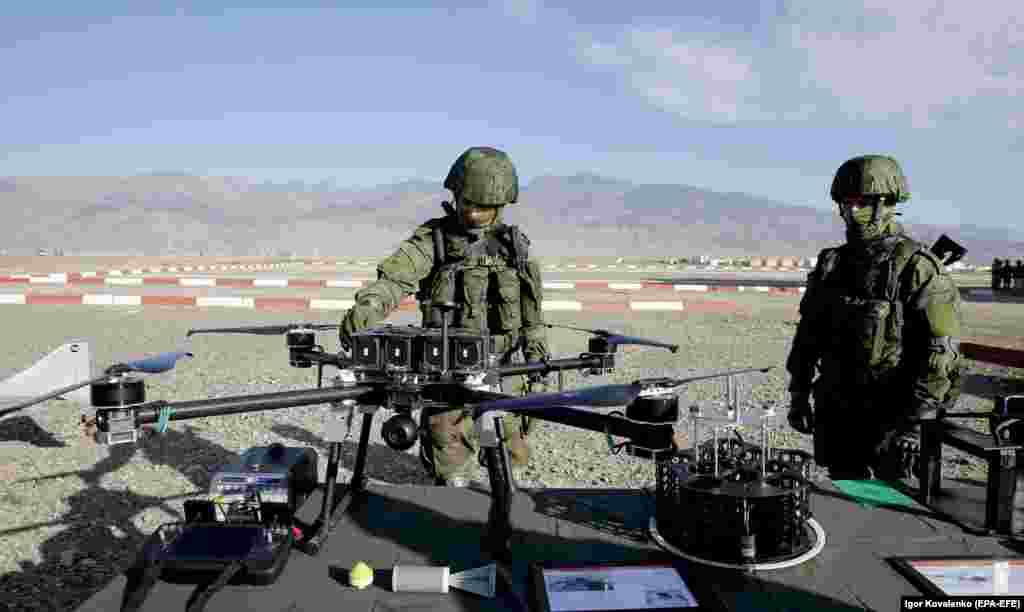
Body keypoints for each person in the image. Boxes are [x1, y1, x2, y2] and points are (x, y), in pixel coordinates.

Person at [338, 146, 551, 487]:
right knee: (451, 474)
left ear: (501, 205)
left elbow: (531, 310)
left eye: (486, 207)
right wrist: (366, 310)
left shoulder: (515, 246)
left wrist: (538, 355)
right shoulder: (433, 241)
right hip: (446, 376)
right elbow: (394, 280)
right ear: (456, 196)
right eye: (469, 204)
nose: (476, 213)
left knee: (511, 466)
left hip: (505, 370)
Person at [785, 155, 963, 481]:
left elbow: (940, 354)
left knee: (891, 515)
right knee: (849, 503)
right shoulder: (832, 264)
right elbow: (808, 336)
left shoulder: (918, 267)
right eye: (846, 202)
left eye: (862, 203)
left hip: (892, 421)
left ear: (888, 204)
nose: (852, 212)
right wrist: (798, 394)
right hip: (838, 415)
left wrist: (914, 424)